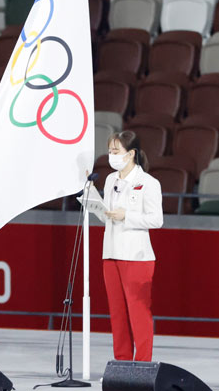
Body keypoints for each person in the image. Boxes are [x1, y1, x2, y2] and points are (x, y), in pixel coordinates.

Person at [88, 130, 163, 362]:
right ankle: (121, 363)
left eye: (116, 151)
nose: (111, 155)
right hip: (110, 253)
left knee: (138, 314)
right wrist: (92, 200)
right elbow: (108, 216)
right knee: (118, 315)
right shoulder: (111, 179)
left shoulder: (148, 183)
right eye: (110, 151)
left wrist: (126, 216)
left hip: (137, 257)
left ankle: (141, 366)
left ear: (131, 154)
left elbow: (156, 220)